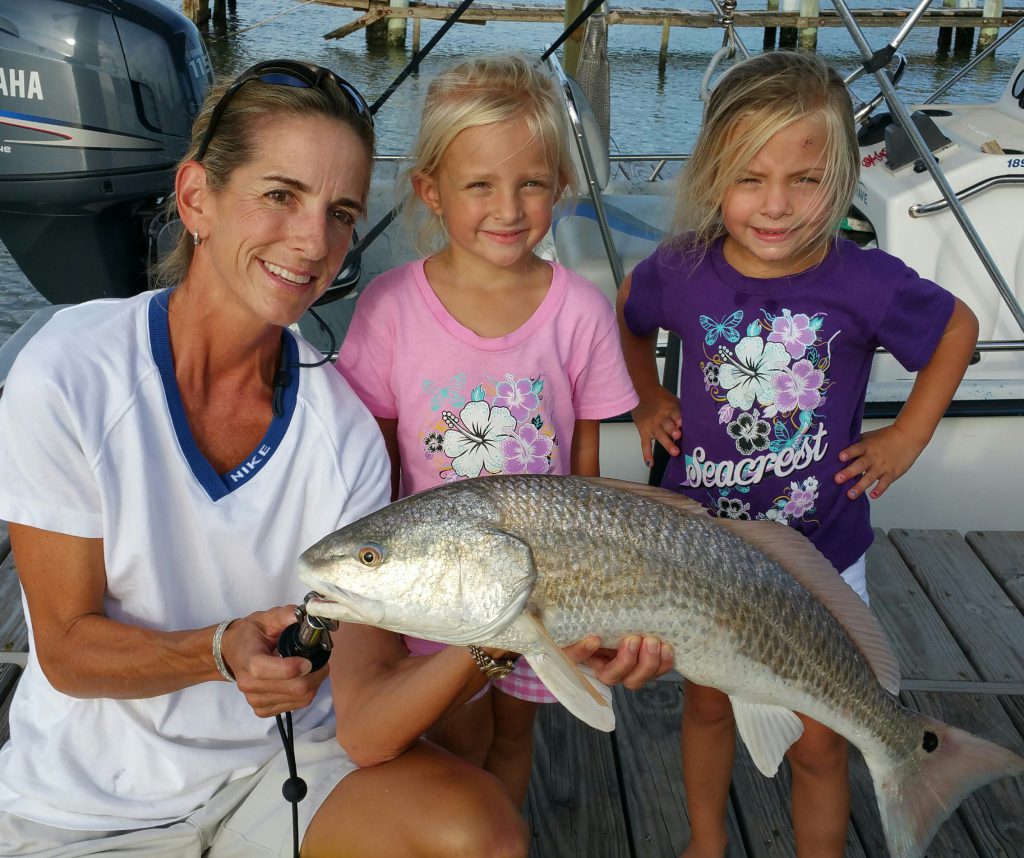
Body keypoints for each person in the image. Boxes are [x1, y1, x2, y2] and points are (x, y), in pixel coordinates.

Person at [0, 58, 669, 858]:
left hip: (288, 770)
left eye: (342, 211)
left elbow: (366, 701)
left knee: (482, 833)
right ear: (195, 199)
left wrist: (522, 624)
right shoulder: (70, 370)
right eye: (280, 195)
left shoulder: (345, 428)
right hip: (89, 808)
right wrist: (217, 652)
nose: (314, 241)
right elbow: (69, 649)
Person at [615, 51, 978, 858]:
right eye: (749, 178)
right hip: (704, 553)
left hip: (825, 552)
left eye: (806, 180)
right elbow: (628, 314)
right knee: (707, 707)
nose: (775, 206)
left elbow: (956, 329)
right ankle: (706, 842)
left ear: (844, 174)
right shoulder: (679, 269)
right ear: (713, 173)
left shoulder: (868, 282)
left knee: (821, 739)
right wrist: (648, 395)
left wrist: (908, 434)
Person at [336, 53, 671, 806]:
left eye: (531, 184)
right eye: (479, 185)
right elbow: (378, 461)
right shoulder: (390, 307)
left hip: (544, 586)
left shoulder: (581, 310)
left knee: (516, 733)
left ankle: (505, 826)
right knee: (458, 732)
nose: (508, 208)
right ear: (431, 190)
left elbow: (584, 475)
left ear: (561, 187)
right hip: (434, 587)